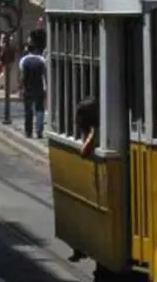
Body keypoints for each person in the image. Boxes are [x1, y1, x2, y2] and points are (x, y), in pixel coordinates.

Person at [67, 96, 100, 263]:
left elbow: (84, 151)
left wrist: (91, 135)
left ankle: (80, 248)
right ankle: (79, 248)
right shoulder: (91, 129)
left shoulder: (94, 131)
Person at [19, 44, 47, 138]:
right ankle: (39, 130)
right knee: (40, 109)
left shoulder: (23, 60)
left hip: (28, 89)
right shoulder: (41, 60)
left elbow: (22, 76)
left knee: (28, 111)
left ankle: (28, 131)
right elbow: (45, 75)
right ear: (35, 49)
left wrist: (21, 88)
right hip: (39, 88)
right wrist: (46, 88)